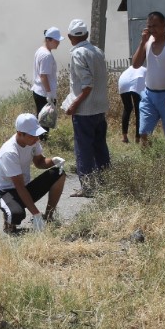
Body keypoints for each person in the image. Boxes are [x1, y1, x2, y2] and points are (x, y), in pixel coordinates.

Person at [0, 113, 66, 234]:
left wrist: (53, 161)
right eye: (33, 136)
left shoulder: (32, 141)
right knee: (17, 215)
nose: (37, 138)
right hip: (5, 192)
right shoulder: (9, 152)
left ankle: (48, 217)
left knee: (59, 174)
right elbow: (19, 187)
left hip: (24, 187)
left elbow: (39, 162)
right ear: (20, 134)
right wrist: (36, 214)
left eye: (37, 135)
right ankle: (9, 222)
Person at [63, 19, 110, 198]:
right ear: (87, 35)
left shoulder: (77, 54)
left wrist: (74, 104)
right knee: (100, 146)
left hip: (84, 110)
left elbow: (87, 84)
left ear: (69, 37)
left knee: (83, 149)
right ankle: (106, 181)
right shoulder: (97, 51)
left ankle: (88, 187)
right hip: (99, 107)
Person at [131, 11, 165, 146]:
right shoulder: (148, 42)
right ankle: (148, 163)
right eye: (149, 26)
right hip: (149, 94)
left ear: (164, 25)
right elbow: (136, 64)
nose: (152, 30)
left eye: (155, 26)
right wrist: (142, 42)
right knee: (144, 132)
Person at [31, 26, 65, 135]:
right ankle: (42, 141)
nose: (58, 43)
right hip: (44, 92)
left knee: (41, 118)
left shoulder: (40, 50)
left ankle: (39, 140)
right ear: (48, 40)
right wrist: (49, 93)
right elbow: (43, 76)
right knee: (45, 120)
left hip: (39, 90)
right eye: (56, 41)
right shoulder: (46, 55)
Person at [118, 65, 146, 143]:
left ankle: (124, 137)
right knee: (138, 110)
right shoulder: (145, 70)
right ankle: (137, 138)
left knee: (127, 108)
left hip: (123, 82)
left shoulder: (129, 69)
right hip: (137, 82)